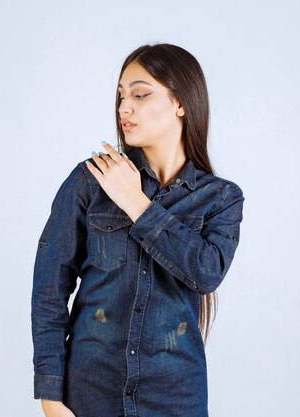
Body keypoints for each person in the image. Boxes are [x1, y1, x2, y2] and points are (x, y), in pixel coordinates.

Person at [31, 43, 245, 417]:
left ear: (181, 102)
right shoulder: (89, 182)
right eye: (121, 96)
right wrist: (50, 396)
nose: (124, 108)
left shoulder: (221, 198)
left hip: (177, 397)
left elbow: (206, 272)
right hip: (89, 393)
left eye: (140, 95)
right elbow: (49, 290)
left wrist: (136, 204)